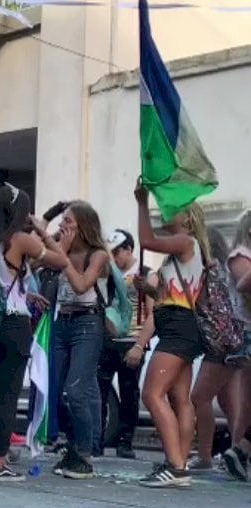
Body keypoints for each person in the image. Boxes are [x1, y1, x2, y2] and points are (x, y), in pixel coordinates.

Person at [0, 184, 69, 481]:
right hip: (13, 324)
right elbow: (60, 260)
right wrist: (44, 231)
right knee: (8, 396)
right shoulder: (20, 239)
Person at [134, 181, 208, 488]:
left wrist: (141, 202)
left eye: (172, 208)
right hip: (180, 324)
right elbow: (171, 294)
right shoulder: (183, 252)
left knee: (152, 394)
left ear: (188, 217)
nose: (166, 211)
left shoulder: (185, 242)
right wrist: (149, 289)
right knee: (180, 398)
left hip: (178, 328)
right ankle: (177, 461)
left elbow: (146, 239)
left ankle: (177, 467)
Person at [48, 201, 112, 479]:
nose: (64, 226)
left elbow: (82, 285)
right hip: (62, 322)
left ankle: (85, 454)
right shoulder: (61, 248)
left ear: (84, 226)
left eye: (69, 222)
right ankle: (72, 448)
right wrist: (51, 225)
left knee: (77, 391)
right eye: (62, 220)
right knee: (58, 390)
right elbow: (37, 248)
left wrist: (61, 256)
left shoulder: (97, 255)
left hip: (87, 323)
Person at [189, 227, 245, 472]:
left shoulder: (210, 272)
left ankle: (205, 456)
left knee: (200, 396)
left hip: (222, 342)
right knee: (231, 403)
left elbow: (218, 310)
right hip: (235, 339)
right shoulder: (223, 269)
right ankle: (238, 454)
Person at [96, 229, 155, 460]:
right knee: (100, 391)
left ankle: (125, 441)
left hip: (132, 340)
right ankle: (96, 439)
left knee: (130, 392)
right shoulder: (108, 274)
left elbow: (152, 313)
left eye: (116, 252)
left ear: (129, 250)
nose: (113, 257)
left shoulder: (146, 275)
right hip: (109, 340)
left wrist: (140, 344)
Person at [221, 211, 251, 481]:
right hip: (247, 329)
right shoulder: (240, 255)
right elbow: (244, 284)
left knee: (246, 400)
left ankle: (239, 452)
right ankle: (239, 450)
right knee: (244, 400)